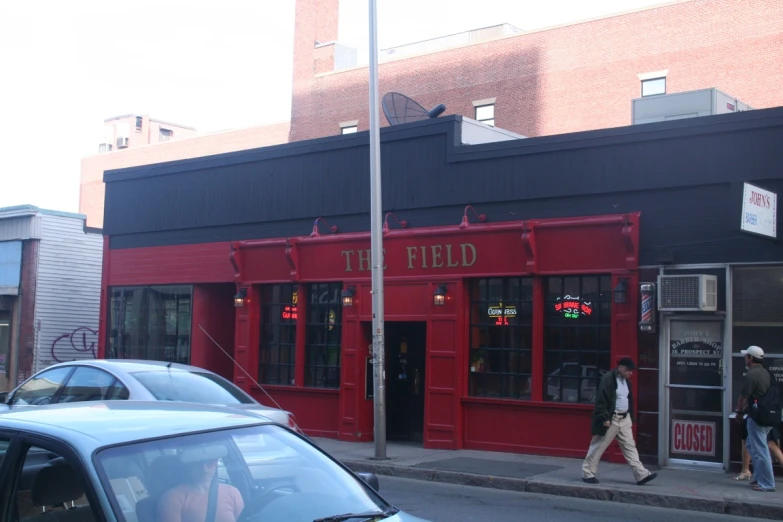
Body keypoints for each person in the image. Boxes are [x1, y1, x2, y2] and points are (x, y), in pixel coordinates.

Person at [582, 357, 658, 485]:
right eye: (629, 370)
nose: (631, 373)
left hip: (624, 418)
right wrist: (605, 418)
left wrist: (631, 417)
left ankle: (641, 474)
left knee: (630, 447)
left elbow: (629, 400)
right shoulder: (608, 379)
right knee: (599, 446)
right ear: (621, 367)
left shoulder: (626, 381)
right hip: (612, 419)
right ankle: (587, 473)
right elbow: (601, 400)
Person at [158, 448, 244, 522]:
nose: (204, 468)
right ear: (189, 465)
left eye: (209, 461)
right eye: (197, 462)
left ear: (216, 461)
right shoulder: (173, 498)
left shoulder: (232, 492)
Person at [735, 345, 776, 492]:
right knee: (752, 446)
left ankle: (768, 484)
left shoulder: (752, 375)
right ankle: (758, 478)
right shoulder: (765, 373)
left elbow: (743, 397)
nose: (745, 358)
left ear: (751, 358)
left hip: (758, 417)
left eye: (746, 356)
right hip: (766, 415)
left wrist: (739, 412)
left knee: (760, 450)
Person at [734, 414, 783, 481]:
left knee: (747, 441)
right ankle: (745, 470)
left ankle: (745, 470)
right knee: (771, 444)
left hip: (756, 416)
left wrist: (739, 412)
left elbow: (744, 404)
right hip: (770, 416)